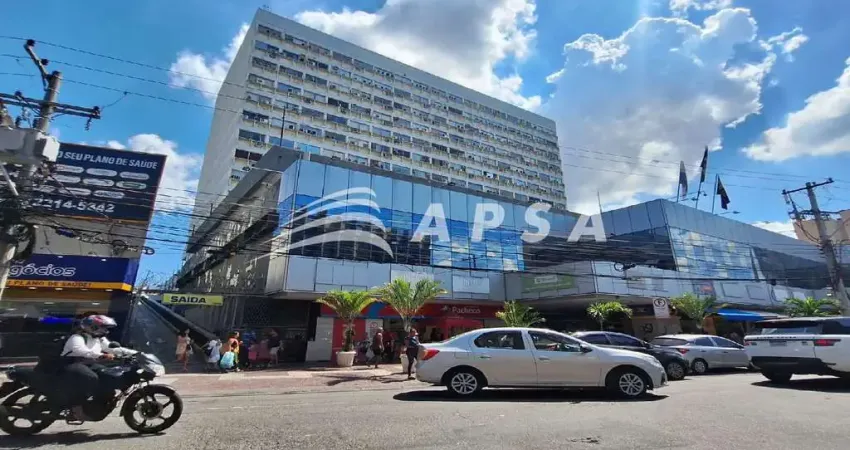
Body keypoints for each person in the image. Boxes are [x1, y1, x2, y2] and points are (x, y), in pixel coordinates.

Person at [57, 315, 134, 420]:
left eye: (105, 327)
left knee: (108, 377)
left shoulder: (99, 339)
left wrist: (135, 353)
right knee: (90, 378)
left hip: (89, 363)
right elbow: (80, 350)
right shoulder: (77, 337)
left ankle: (97, 404)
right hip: (70, 363)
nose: (105, 330)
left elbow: (113, 348)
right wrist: (101, 355)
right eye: (102, 327)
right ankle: (76, 408)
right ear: (92, 327)